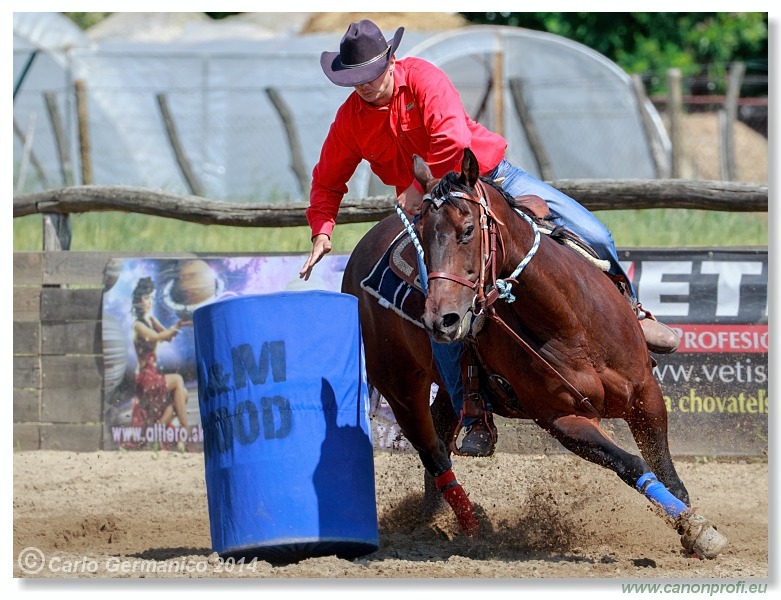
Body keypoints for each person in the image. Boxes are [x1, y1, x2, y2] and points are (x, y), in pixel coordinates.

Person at [298, 19, 679, 457]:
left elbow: (452, 139)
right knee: (437, 305)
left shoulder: (424, 78)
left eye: (370, 75)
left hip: (488, 178)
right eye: (355, 79)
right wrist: (322, 229)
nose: (364, 86)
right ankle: (469, 406)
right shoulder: (350, 119)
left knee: (594, 232)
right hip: (434, 215)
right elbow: (327, 179)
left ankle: (633, 312)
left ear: (389, 62)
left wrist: (421, 185)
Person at [131, 276, 192, 450]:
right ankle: (185, 434)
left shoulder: (150, 319)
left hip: (154, 375)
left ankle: (154, 435)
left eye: (151, 297)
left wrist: (181, 324)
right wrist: (176, 327)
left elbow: (167, 336)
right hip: (145, 379)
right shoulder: (138, 325)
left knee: (184, 395)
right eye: (145, 298)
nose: (149, 302)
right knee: (178, 380)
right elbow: (157, 337)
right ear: (138, 300)